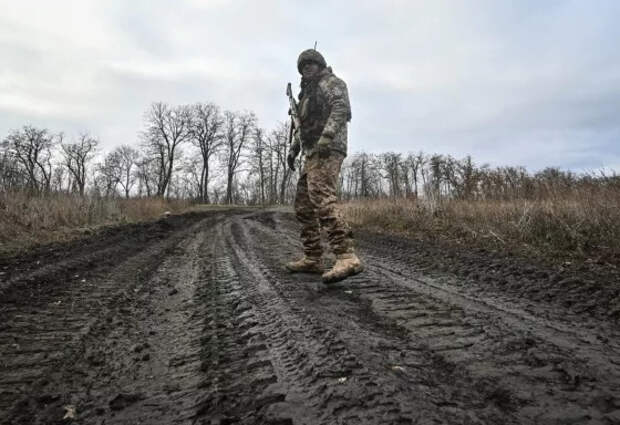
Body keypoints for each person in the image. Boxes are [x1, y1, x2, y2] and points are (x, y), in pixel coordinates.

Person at [286, 48, 363, 283]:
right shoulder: (306, 95)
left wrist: (327, 137)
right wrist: (293, 150)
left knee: (322, 197)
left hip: (328, 149)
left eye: (311, 64)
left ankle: (346, 255)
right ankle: (313, 257)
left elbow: (341, 108)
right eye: (303, 66)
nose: (307, 68)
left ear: (320, 65)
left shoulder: (331, 82)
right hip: (311, 153)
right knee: (303, 204)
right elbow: (302, 126)